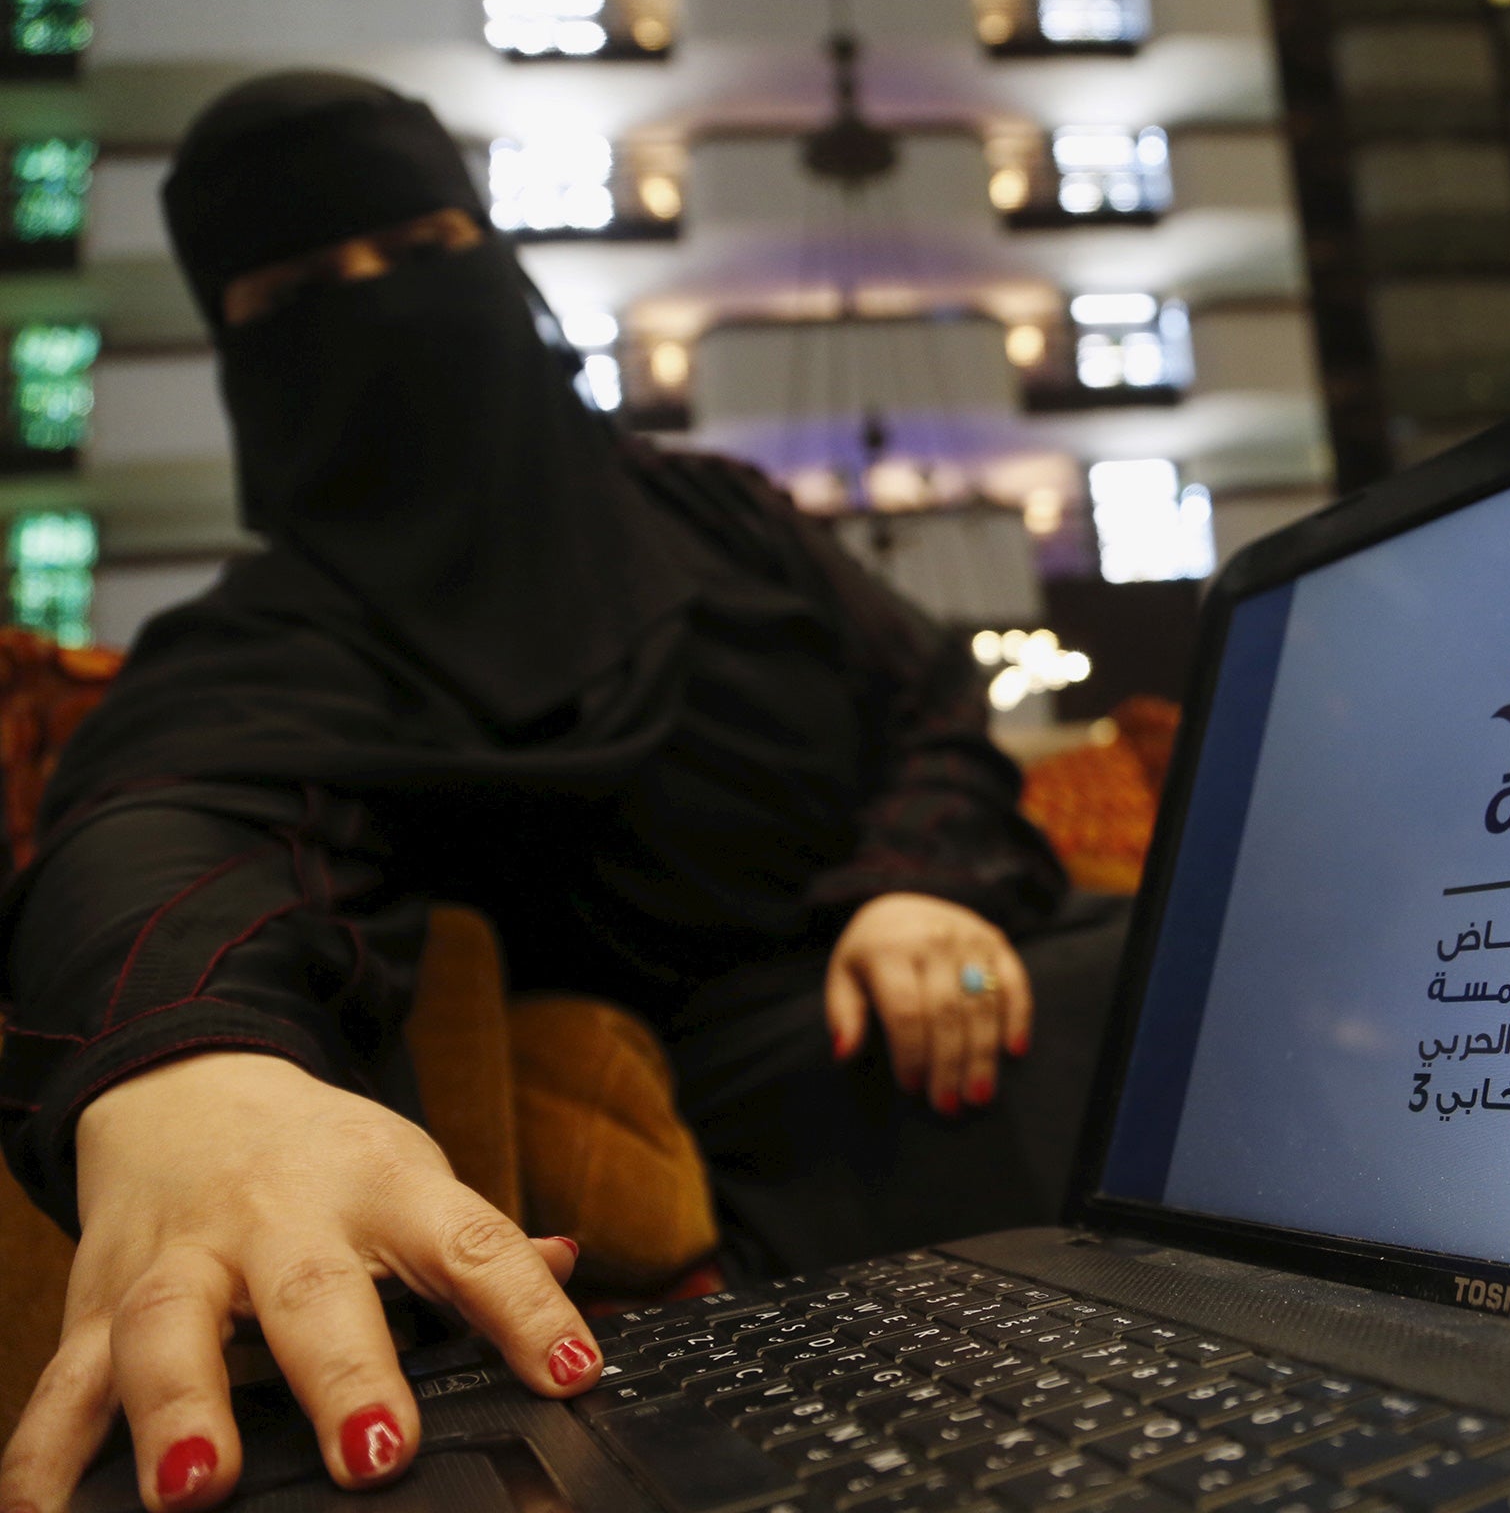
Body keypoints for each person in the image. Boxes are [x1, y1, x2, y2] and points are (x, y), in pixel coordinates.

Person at [0, 73, 1125, 1513]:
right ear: (240, 353)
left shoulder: (718, 512)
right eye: (300, 288)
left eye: (421, 254)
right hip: (780, 1091)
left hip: (961, 954)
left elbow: (930, 704)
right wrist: (193, 1074)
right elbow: (163, 820)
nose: (382, 309)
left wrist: (915, 884)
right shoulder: (289, 635)